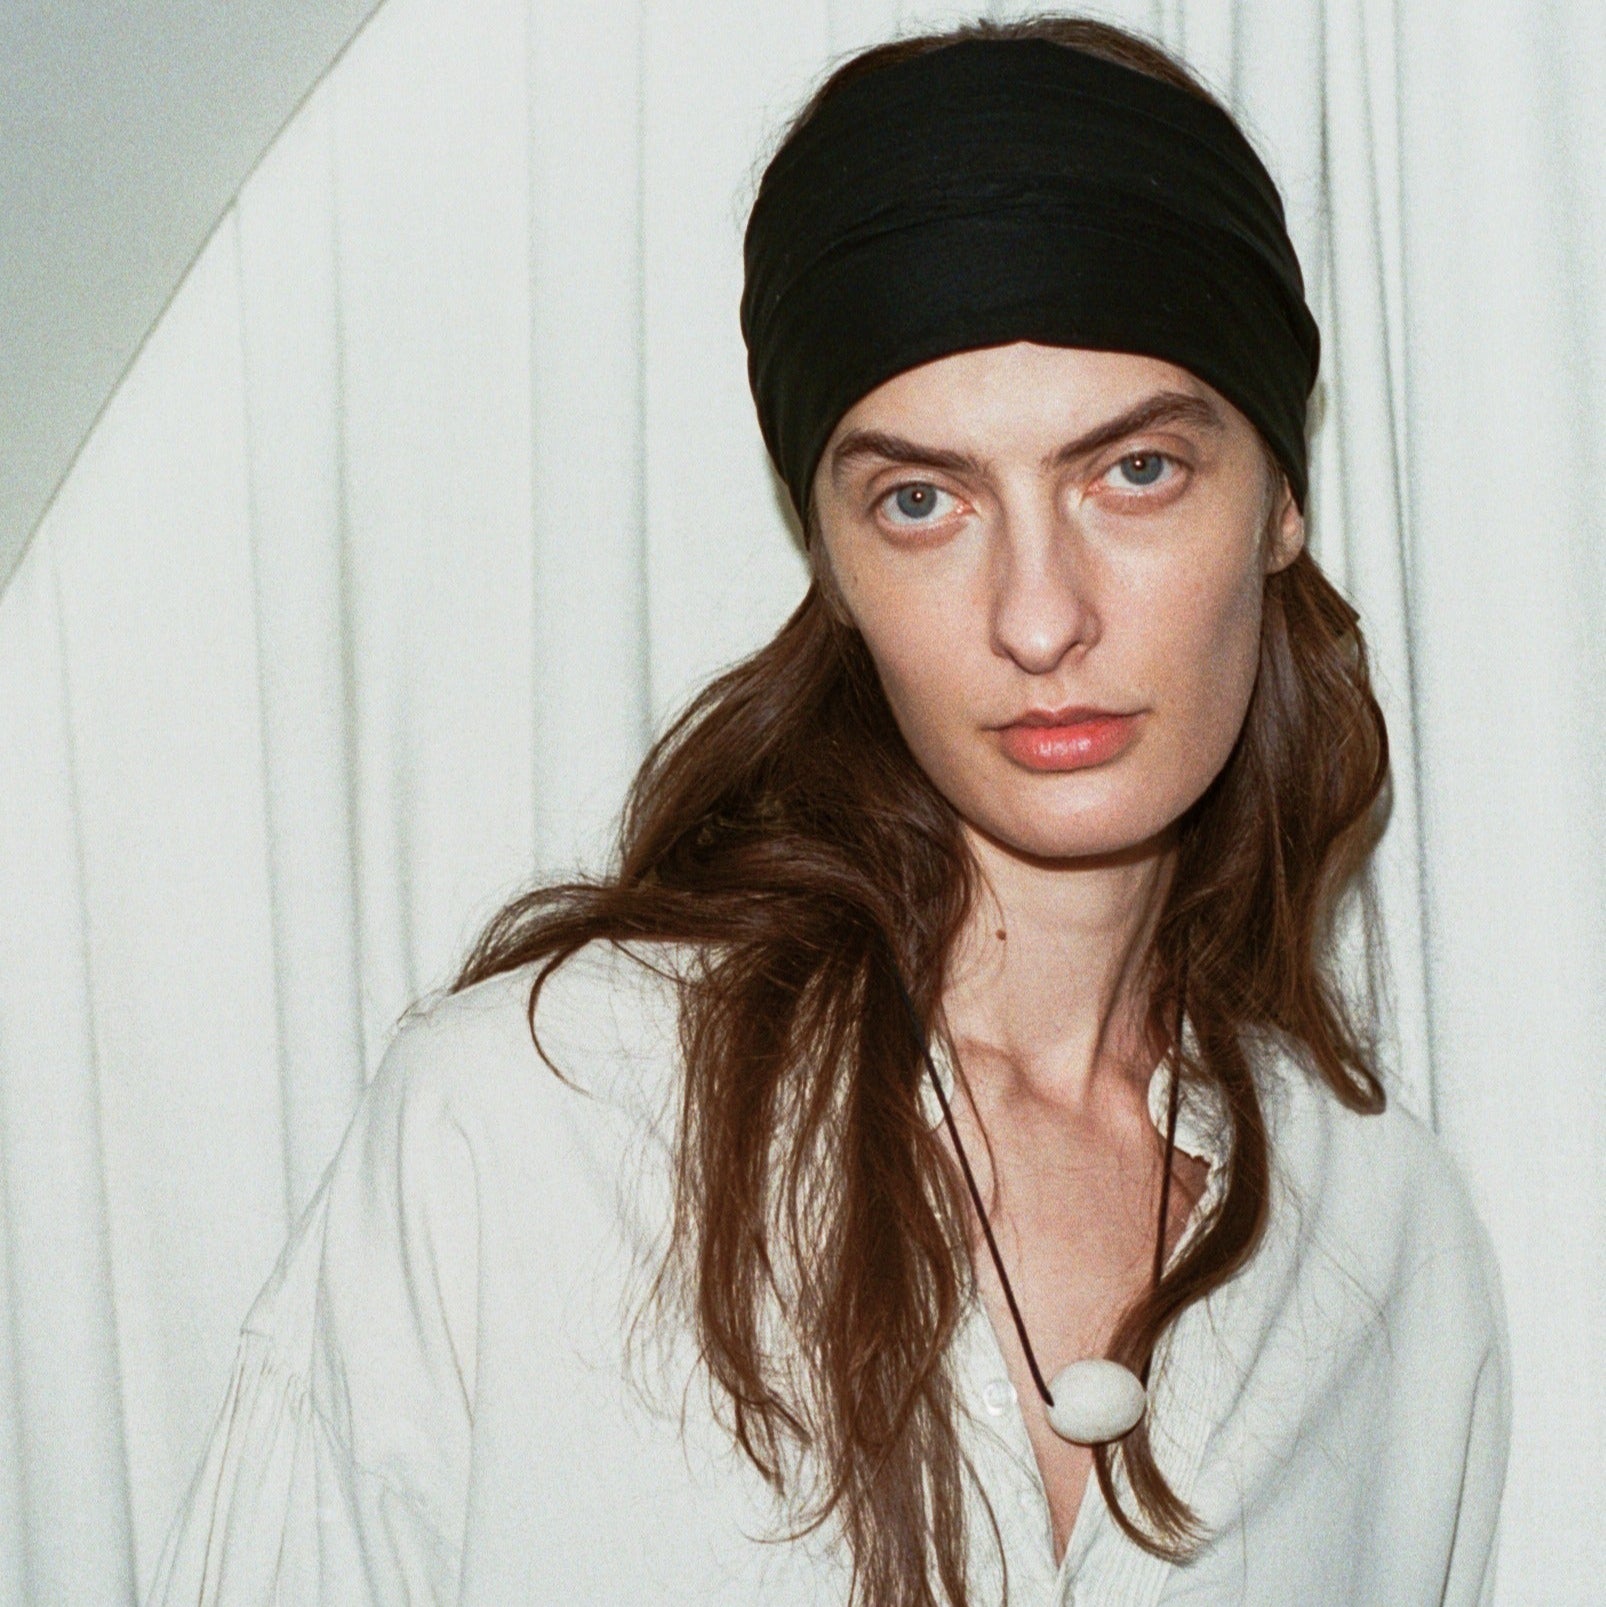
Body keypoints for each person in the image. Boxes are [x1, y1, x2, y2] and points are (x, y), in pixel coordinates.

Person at [148, 16, 1509, 1607]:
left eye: (1132, 471)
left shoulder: (1386, 1244)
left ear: (1276, 501)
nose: (1038, 616)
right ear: (833, 566)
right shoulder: (532, 1128)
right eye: (921, 501)